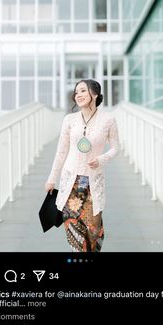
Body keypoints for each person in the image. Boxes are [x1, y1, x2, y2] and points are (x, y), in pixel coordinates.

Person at [45, 79, 119, 252]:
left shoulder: (108, 119)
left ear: (95, 94)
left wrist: (102, 159)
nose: (78, 95)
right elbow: (61, 152)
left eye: (83, 91)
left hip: (94, 181)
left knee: (94, 230)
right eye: (76, 92)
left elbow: (116, 148)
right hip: (71, 181)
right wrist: (51, 179)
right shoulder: (69, 120)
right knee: (73, 228)